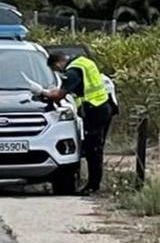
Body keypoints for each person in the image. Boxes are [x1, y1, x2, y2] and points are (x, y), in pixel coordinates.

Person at [38, 53, 113, 194]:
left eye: (55, 69)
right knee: (96, 148)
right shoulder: (83, 62)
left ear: (58, 63)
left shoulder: (72, 72)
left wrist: (42, 92)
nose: (57, 72)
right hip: (102, 107)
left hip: (94, 110)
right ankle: (93, 184)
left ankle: (93, 186)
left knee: (93, 150)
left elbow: (59, 95)